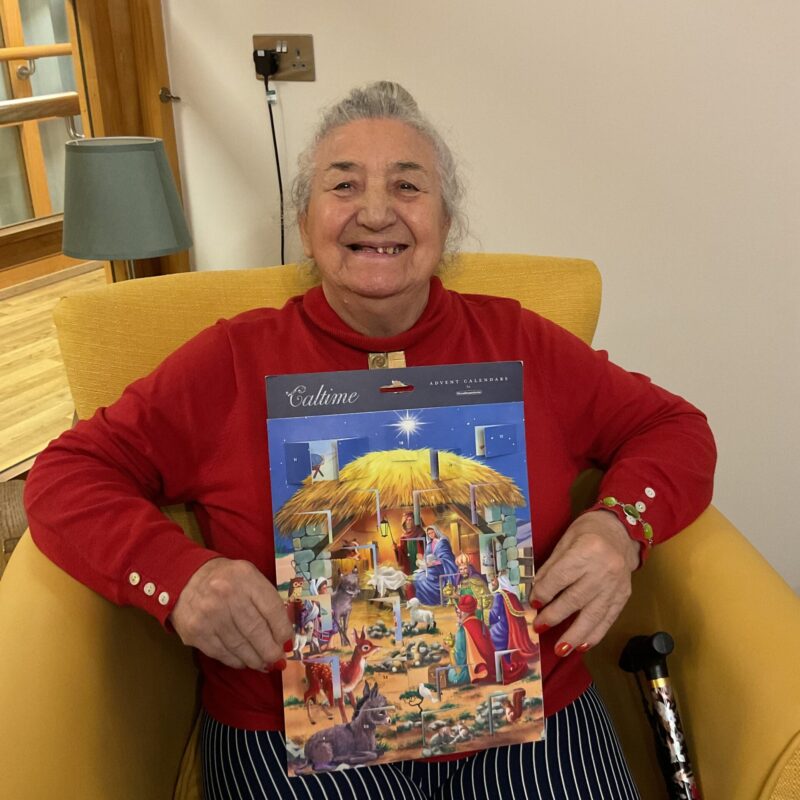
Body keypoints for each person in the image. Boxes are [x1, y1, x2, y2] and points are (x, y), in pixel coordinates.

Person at [24, 81, 716, 799]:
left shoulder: (519, 343)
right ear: (306, 218)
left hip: (527, 717)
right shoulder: (230, 361)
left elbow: (675, 430)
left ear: (446, 221)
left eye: (407, 185)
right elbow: (65, 475)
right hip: (292, 732)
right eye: (344, 183)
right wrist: (180, 576)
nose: (376, 209)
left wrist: (620, 526)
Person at [447, 594, 497, 685]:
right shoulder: (481, 624)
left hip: (474, 670)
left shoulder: (462, 630)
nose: (457, 614)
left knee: (451, 674)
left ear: (465, 612)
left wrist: (450, 650)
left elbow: (459, 662)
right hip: (491, 667)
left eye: (459, 612)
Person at [411, 525, 459, 605]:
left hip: (442, 567)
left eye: (432, 532)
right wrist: (421, 560)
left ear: (436, 531)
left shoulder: (442, 542)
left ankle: (434, 600)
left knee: (425, 577)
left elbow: (446, 558)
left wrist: (433, 563)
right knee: (417, 577)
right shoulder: (429, 544)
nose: (431, 535)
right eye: (429, 533)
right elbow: (427, 557)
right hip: (431, 567)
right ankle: (425, 601)